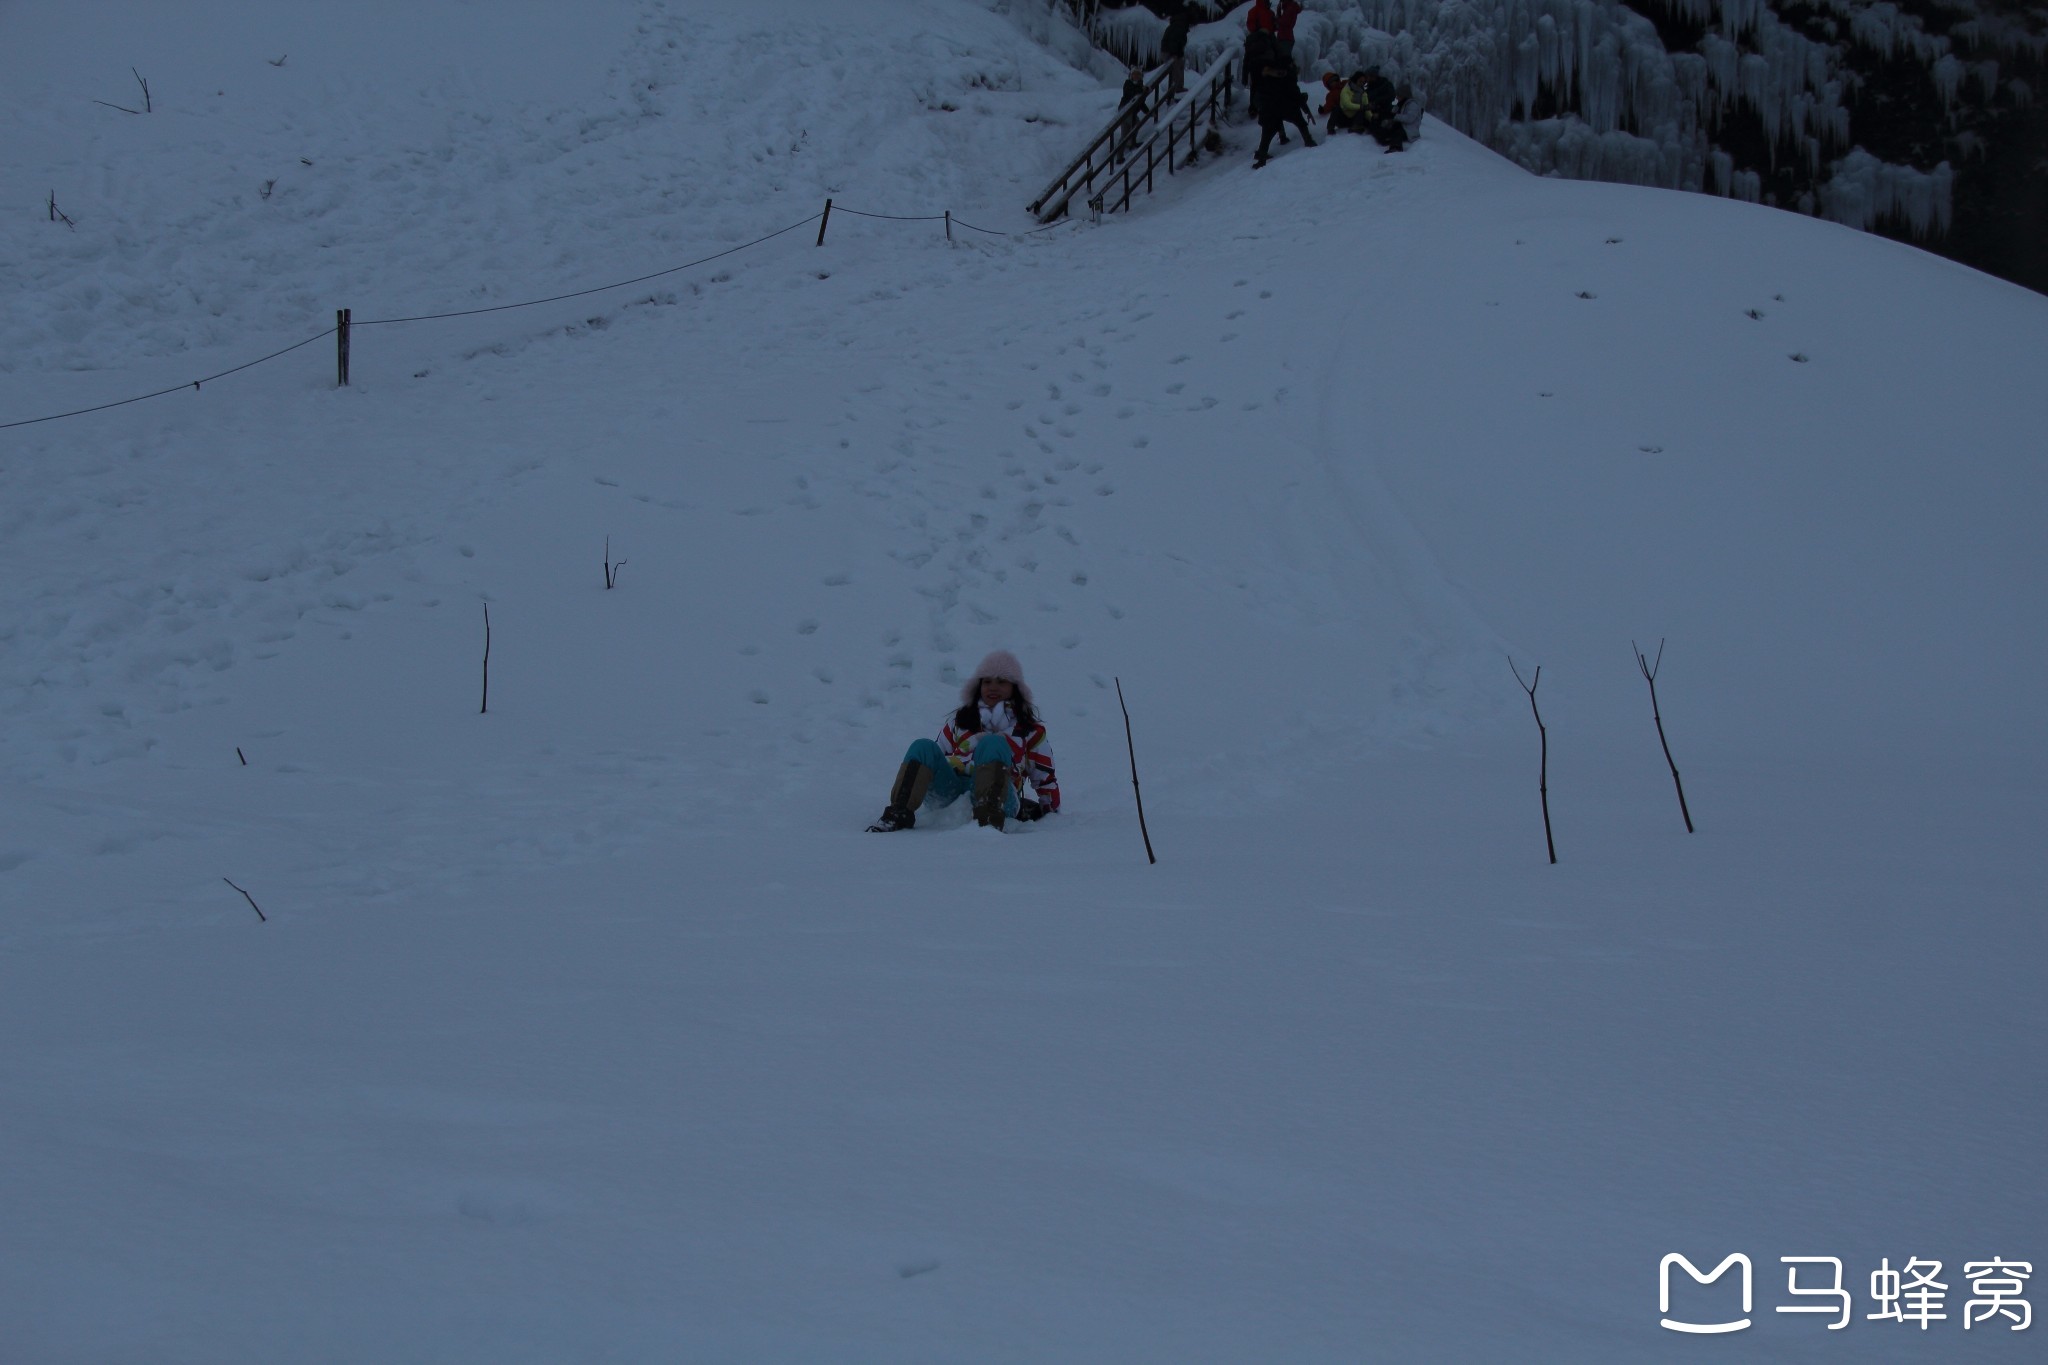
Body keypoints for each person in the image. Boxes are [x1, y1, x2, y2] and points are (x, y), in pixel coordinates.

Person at [867, 650, 1061, 833]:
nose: (993, 687)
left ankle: (989, 822)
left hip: (1000, 797)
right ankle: (897, 814)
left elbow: (1045, 778)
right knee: (923, 746)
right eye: (987, 681)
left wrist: (1050, 812)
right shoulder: (961, 721)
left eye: (1001, 681)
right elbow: (935, 759)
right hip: (952, 792)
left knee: (993, 743)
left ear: (1015, 688)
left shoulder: (1029, 730)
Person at [1251, 47, 1315, 167]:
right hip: (1287, 107)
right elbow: (1295, 94)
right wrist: (1306, 109)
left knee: (1267, 133)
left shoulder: (1266, 77)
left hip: (1269, 109)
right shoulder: (1289, 76)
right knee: (1301, 123)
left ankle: (1262, 158)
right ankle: (1309, 141)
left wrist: (1260, 108)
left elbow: (1258, 95)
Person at [1160, 4, 1191, 99]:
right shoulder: (1179, 26)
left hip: (1173, 50)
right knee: (1176, 68)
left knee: (1180, 65)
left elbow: (1179, 42)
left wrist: (1179, 53)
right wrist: (1174, 54)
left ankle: (1179, 86)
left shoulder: (1179, 25)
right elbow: (1173, 41)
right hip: (1169, 51)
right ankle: (1177, 88)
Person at [1117, 64, 1147, 153]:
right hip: (1125, 109)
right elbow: (1131, 93)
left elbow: (1141, 103)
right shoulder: (1128, 83)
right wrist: (1143, 89)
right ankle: (1131, 143)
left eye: (1138, 74)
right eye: (1134, 74)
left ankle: (1120, 153)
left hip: (1130, 110)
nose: (1136, 76)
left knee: (1125, 133)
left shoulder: (1140, 86)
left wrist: (1148, 112)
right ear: (1131, 75)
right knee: (1135, 123)